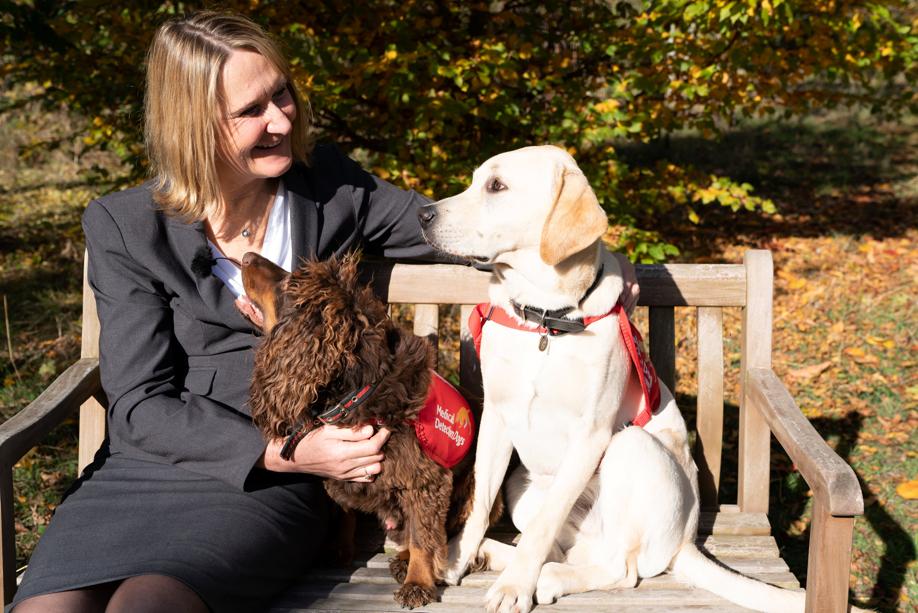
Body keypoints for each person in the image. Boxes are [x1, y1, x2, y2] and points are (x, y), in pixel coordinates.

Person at [12, 11, 639, 613]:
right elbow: (140, 403)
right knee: (48, 606)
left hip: (267, 491)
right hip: (149, 473)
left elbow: (464, 229)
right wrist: (289, 450)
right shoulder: (126, 227)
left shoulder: (331, 188)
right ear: (194, 128)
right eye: (251, 111)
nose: (281, 119)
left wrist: (594, 261)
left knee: (146, 607)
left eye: (281, 94)